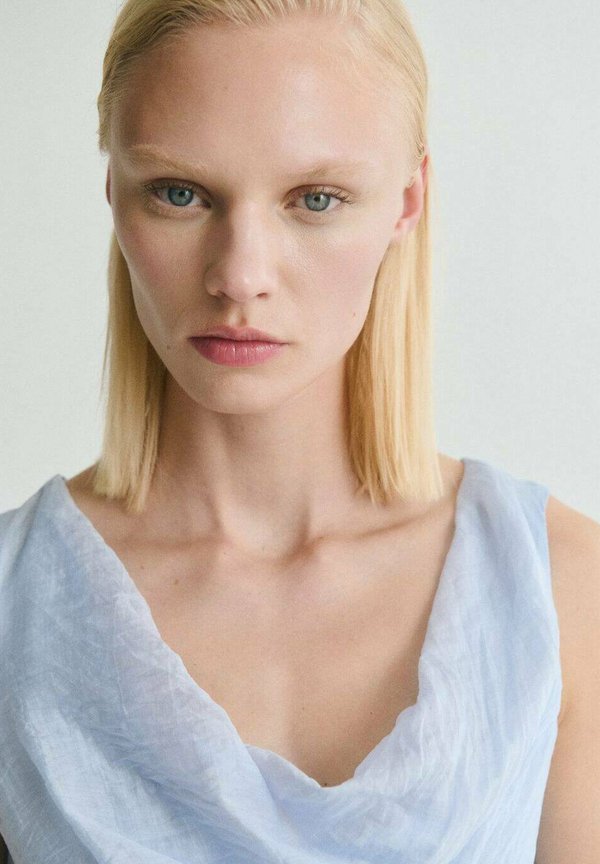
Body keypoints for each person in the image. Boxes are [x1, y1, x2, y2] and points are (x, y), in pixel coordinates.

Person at [0, 0, 598, 861]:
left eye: (315, 199)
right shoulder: (15, 609)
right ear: (114, 193)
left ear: (408, 201)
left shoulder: (564, 595)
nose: (240, 276)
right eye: (179, 193)